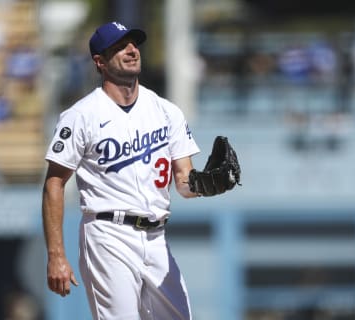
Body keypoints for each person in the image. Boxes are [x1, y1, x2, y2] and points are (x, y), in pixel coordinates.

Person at [42, 21, 239, 320]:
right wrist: (56, 255)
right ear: (100, 62)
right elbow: (54, 184)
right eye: (120, 46)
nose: (132, 50)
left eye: (134, 43)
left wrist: (204, 184)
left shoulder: (166, 110)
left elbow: (184, 182)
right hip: (108, 232)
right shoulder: (80, 116)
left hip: (157, 236)